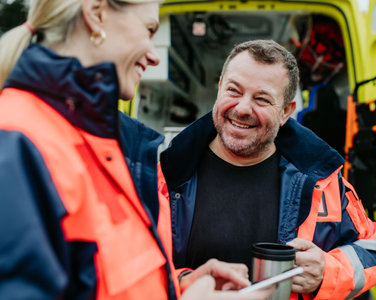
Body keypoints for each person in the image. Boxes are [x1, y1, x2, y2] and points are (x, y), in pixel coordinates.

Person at [0, 1, 274, 299]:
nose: (155, 56)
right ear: (96, 13)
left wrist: (179, 287)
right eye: (149, 30)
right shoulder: (16, 143)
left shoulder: (108, 146)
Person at [160, 39, 376, 299]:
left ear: (285, 112)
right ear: (220, 87)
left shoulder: (322, 182)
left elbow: (371, 253)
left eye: (262, 99)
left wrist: (327, 270)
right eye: (234, 91)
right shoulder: (164, 176)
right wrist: (185, 282)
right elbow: (128, 265)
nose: (243, 108)